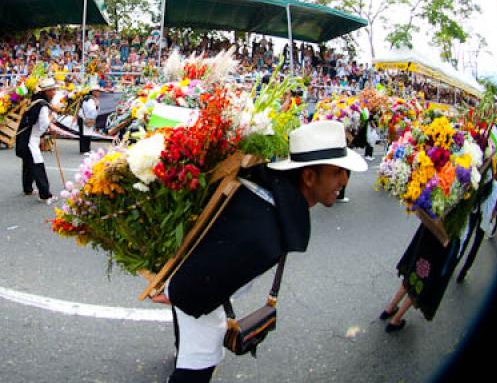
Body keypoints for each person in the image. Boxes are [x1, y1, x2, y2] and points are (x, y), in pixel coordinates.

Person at [153, 120, 368, 382]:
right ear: (309, 177)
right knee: (199, 364)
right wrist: (173, 290)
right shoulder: (262, 232)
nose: (344, 180)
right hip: (197, 291)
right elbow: (198, 282)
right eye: (337, 172)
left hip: (204, 288)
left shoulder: (270, 193)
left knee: (198, 352)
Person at [15, 78, 58, 205]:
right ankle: (45, 195)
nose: (54, 93)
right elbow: (44, 123)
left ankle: (27, 188)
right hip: (30, 139)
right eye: (53, 90)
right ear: (47, 91)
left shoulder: (34, 101)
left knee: (28, 163)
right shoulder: (42, 105)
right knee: (37, 164)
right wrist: (50, 128)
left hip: (24, 137)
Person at [77, 86, 101, 154]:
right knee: (84, 135)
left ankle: (87, 149)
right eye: (97, 91)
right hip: (85, 118)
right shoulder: (89, 99)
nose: (99, 93)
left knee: (88, 134)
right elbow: (91, 110)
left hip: (87, 118)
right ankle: (84, 150)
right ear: (93, 92)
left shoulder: (92, 99)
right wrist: (96, 106)